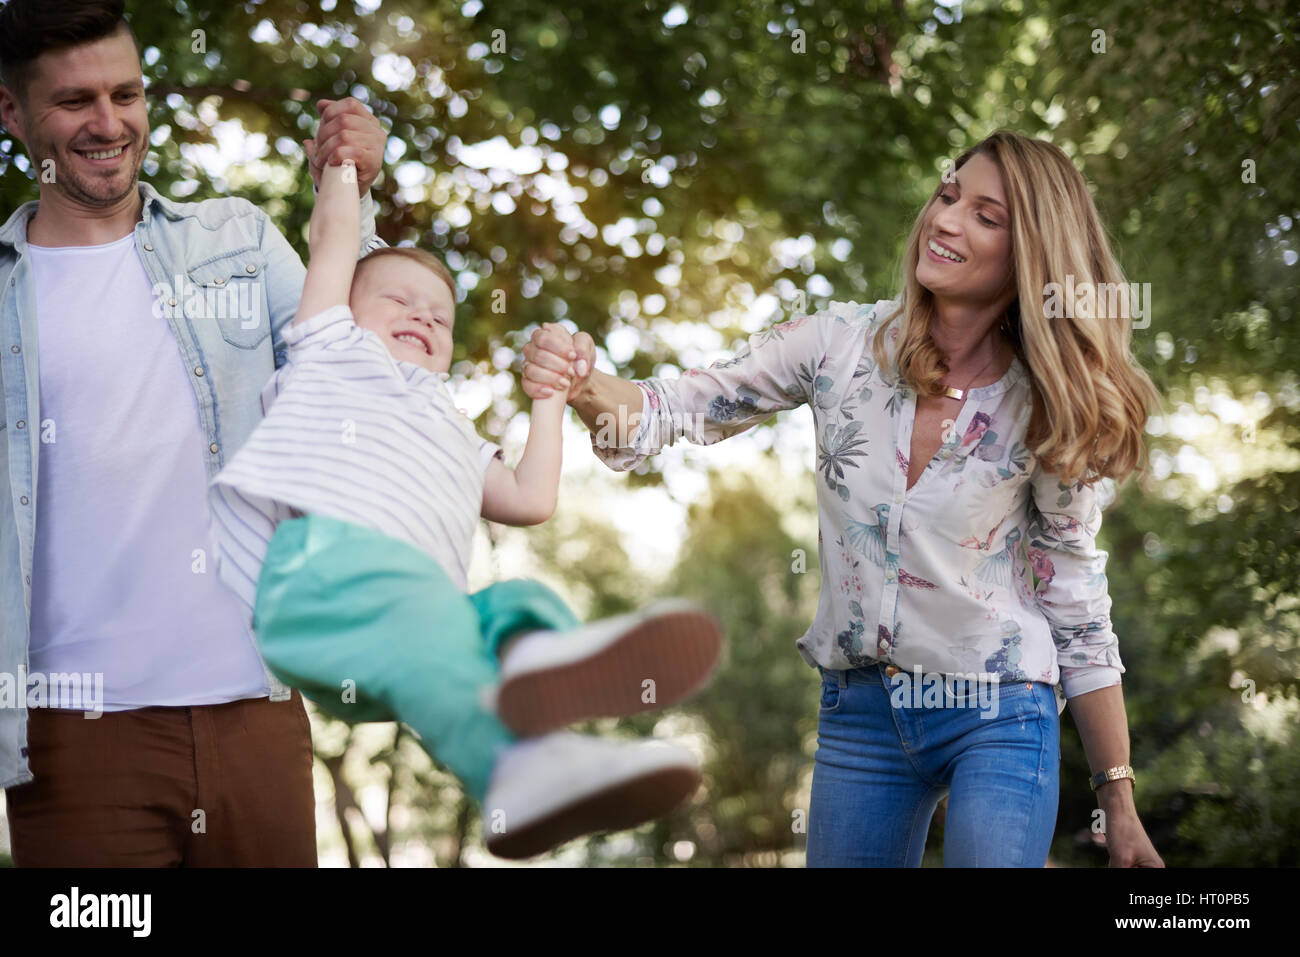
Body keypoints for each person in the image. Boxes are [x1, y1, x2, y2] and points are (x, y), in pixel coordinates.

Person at [520, 130, 1167, 867]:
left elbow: (1077, 606)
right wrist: (581, 384)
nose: (946, 220)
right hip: (860, 717)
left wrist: (1117, 797)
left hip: (999, 713)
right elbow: (674, 407)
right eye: (948, 195)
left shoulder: (1048, 406)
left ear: (1033, 256)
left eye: (987, 216)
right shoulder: (839, 344)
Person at [206, 154, 722, 860]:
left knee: (510, 601)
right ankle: (518, 750)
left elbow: (532, 497)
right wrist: (345, 171)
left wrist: (549, 399)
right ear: (342, 311)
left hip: (416, 632)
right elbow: (332, 240)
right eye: (398, 300)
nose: (422, 314)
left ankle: (535, 715)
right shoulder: (329, 352)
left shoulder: (449, 426)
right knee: (436, 602)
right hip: (318, 589)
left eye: (440, 316)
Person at [0, 0, 390, 865]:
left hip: (255, 707)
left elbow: (356, 363)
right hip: (73, 739)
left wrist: (352, 185)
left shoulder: (239, 243)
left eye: (126, 93)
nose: (109, 124)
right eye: (74, 103)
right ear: (14, 114)